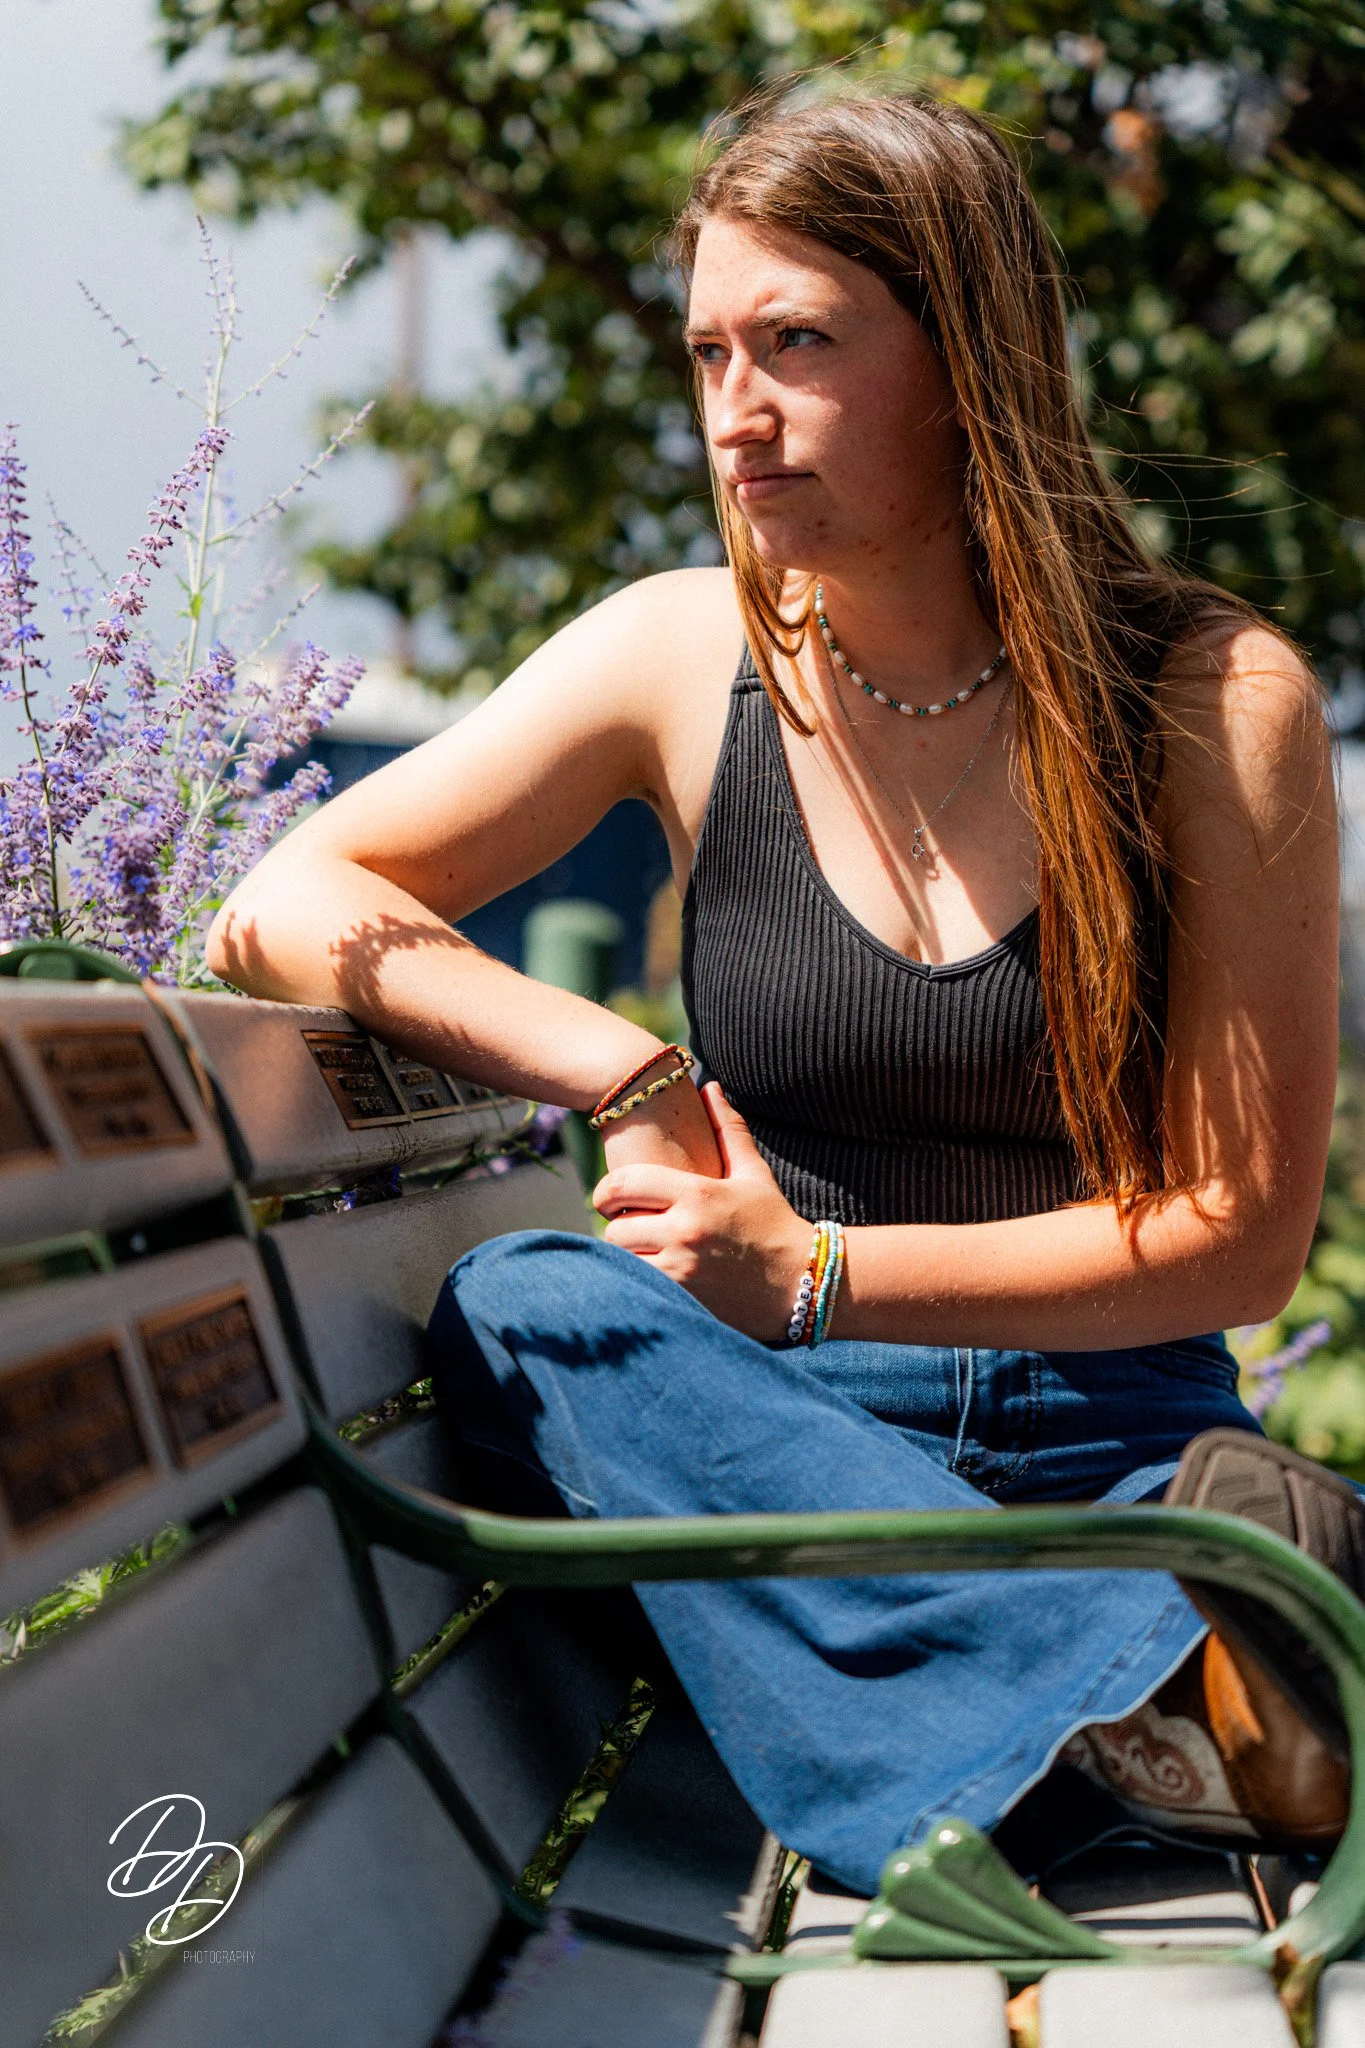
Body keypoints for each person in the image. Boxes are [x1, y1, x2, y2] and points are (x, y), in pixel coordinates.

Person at [208, 88, 1358, 1898]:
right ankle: (1149, 1702)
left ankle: (1041, 1712)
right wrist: (630, 1072)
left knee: (577, 1344)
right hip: (787, 1461)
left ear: (968, 360)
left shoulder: (1212, 703)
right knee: (534, 1306)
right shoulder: (682, 655)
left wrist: (815, 1273)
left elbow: (1239, 1237)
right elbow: (282, 903)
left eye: (800, 344)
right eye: (709, 353)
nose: (734, 413)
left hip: (1122, 1460)